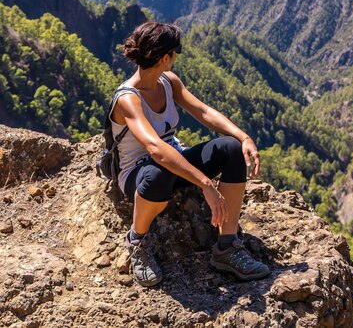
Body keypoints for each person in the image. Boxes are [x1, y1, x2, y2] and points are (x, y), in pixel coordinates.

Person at [110, 21, 270, 287]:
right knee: (157, 172)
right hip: (139, 174)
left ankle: (227, 246)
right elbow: (155, 149)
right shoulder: (128, 99)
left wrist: (243, 137)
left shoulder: (169, 82)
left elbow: (204, 112)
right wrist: (205, 183)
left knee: (230, 149)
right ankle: (137, 241)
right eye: (175, 52)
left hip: (176, 163)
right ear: (165, 57)